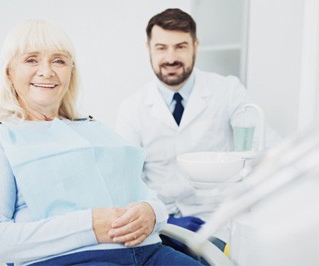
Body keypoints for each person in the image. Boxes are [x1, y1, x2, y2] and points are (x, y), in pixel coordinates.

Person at [0, 19, 203, 266]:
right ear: (9, 72)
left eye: (59, 60)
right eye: (31, 60)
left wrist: (151, 212)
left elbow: (145, 193)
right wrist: (89, 226)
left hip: (151, 252)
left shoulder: (94, 128)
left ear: (71, 71)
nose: (46, 71)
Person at [115, 8, 280, 254]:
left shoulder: (228, 91)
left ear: (195, 45)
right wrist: (164, 219)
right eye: (161, 48)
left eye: (180, 46)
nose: (171, 57)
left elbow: (266, 148)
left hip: (217, 220)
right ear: (148, 48)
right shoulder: (131, 108)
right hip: (161, 223)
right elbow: (123, 180)